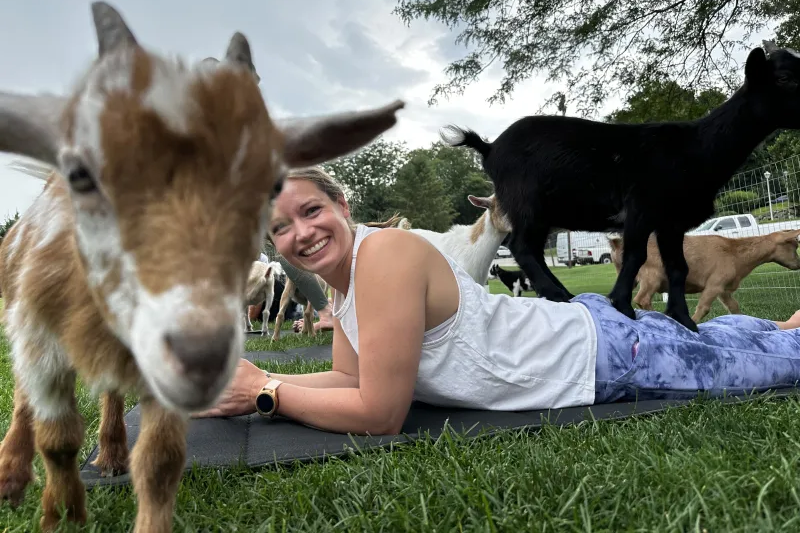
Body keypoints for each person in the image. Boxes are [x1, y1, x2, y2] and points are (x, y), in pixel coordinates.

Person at [194, 166, 800, 435]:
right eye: (280, 228)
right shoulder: (345, 280)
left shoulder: (384, 255)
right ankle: (781, 324)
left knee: (783, 365)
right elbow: (348, 381)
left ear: (343, 209)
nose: (300, 233)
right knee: (724, 338)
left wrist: (268, 395)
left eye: (311, 211)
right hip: (588, 330)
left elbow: (378, 414)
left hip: (607, 357)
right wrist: (257, 379)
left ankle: (788, 334)